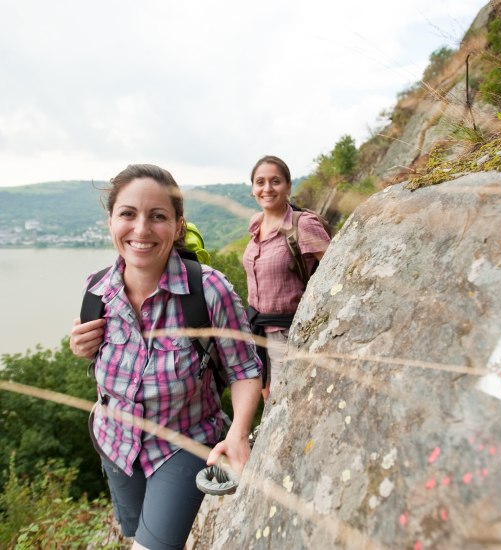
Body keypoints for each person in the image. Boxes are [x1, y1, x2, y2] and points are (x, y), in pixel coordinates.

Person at [69, 164, 262, 550]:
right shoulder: (96, 290)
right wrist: (81, 347)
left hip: (185, 443)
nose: (141, 230)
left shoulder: (208, 291)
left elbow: (244, 369)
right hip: (116, 445)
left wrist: (239, 433)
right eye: (128, 214)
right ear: (110, 221)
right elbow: (101, 359)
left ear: (177, 226)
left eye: (157, 216)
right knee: (134, 531)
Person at [243, 155, 331, 401]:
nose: (267, 188)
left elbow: (335, 272)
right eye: (260, 182)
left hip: (289, 333)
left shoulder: (303, 225)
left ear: (289, 186)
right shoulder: (255, 223)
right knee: (267, 396)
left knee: (284, 401)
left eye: (275, 181)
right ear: (252, 189)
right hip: (257, 331)